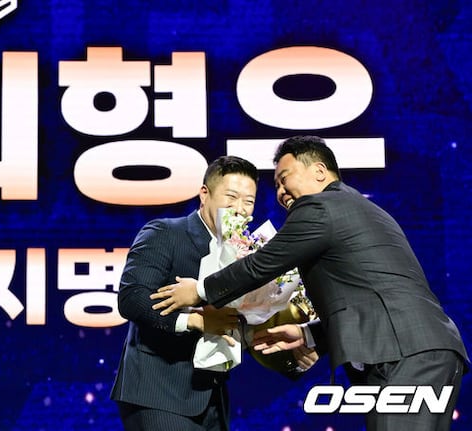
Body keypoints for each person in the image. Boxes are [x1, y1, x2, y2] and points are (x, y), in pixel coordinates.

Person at [151, 136, 469, 431]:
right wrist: (308, 334)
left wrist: (199, 290)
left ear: (319, 171)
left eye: (285, 178)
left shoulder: (320, 207)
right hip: (414, 350)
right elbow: (367, 296)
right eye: (276, 185)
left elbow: (261, 264)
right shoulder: (355, 208)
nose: (280, 191)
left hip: (404, 353)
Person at [110, 155, 316, 431]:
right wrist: (195, 321)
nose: (240, 209)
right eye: (231, 197)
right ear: (204, 194)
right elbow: (132, 299)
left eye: (249, 201)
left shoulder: (249, 255)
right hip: (157, 393)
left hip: (213, 400)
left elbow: (244, 322)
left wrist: (290, 351)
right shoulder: (165, 232)